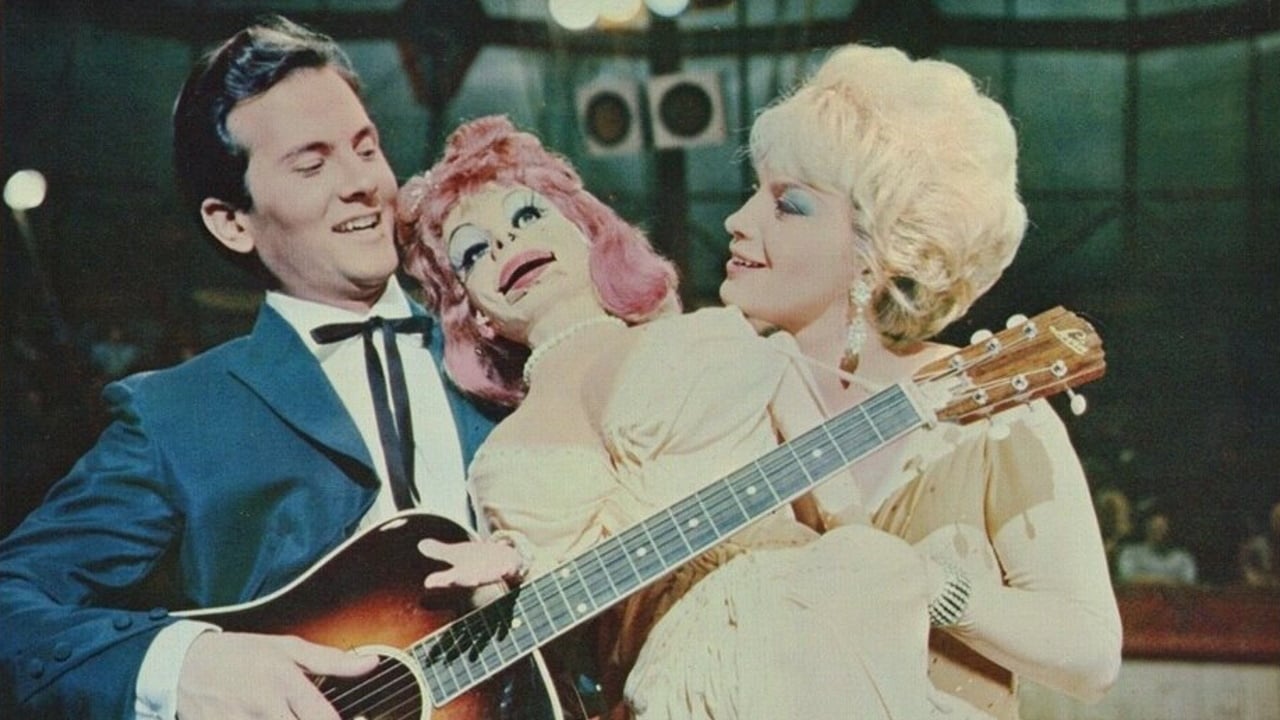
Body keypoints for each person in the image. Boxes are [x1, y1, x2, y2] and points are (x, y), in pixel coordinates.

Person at [0, 17, 527, 720]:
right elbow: (11, 605)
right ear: (232, 221)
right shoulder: (175, 416)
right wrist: (185, 664)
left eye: (366, 147)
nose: (361, 184)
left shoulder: (512, 342)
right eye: (311, 165)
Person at [399, 115, 991, 719]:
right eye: (473, 252)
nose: (504, 244)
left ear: (587, 232)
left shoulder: (719, 336)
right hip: (659, 691)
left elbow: (843, 517)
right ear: (476, 314)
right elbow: (557, 664)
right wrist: (501, 585)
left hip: (804, 644)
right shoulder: (498, 461)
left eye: (527, 216)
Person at [718, 45, 1123, 718]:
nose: (738, 221)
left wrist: (935, 588)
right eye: (754, 193)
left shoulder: (996, 420)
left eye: (788, 204)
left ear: (878, 249)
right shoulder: (718, 401)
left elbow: (1092, 655)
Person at [1116, 511, 1198, 585]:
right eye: (1156, 529)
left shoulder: (1183, 558)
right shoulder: (1131, 553)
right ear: (1147, 529)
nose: (1161, 533)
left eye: (1163, 529)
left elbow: (1189, 585)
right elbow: (1127, 578)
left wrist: (1146, 579)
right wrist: (1166, 582)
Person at [1238, 501, 1280, 588]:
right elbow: (1246, 569)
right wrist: (1260, 579)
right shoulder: (1258, 545)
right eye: (1277, 519)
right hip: (1263, 591)